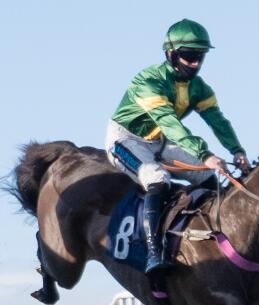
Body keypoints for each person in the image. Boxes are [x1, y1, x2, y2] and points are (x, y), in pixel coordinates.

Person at [105, 19, 246, 274]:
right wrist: (205, 153)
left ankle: (210, 239)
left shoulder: (200, 88)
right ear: (170, 54)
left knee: (207, 175)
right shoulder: (148, 81)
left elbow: (217, 121)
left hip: (159, 142)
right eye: (189, 56)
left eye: (199, 56)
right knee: (158, 179)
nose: (195, 63)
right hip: (126, 140)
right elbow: (170, 124)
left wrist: (236, 150)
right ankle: (153, 253)